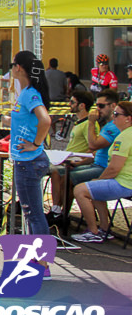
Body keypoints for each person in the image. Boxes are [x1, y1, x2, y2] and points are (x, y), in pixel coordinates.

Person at [0, 51, 52, 259]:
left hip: (29, 162)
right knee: (31, 214)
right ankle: (37, 260)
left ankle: (42, 265)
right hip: (27, 162)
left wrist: (35, 144)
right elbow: (21, 121)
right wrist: (0, 118)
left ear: (19, 68)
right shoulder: (25, 93)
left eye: (12, 64)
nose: (11, 68)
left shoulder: (29, 94)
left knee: (34, 215)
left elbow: (45, 120)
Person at [71, 99, 132, 243]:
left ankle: (93, 230)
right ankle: (104, 228)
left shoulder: (124, 137)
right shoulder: (126, 134)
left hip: (125, 183)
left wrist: (99, 180)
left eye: (117, 114)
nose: (113, 117)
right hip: (126, 181)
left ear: (128, 119)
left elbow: (114, 168)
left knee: (80, 190)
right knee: (94, 189)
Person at [47, 89, 95, 218]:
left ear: (82, 105)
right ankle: (56, 209)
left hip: (78, 161)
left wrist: (80, 161)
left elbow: (93, 146)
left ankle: (60, 213)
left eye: (73, 102)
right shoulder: (79, 123)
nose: (70, 105)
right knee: (55, 172)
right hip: (68, 158)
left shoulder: (88, 124)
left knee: (61, 175)